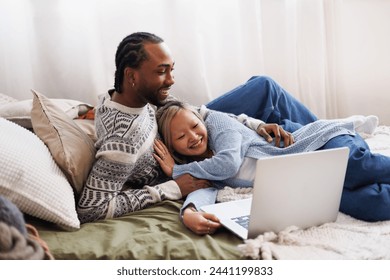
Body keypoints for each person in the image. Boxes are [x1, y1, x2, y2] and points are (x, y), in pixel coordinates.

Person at [76, 31, 318, 223]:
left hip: (182, 125)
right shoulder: (122, 144)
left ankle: (322, 141)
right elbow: (90, 209)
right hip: (181, 146)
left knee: (264, 87)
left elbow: (200, 112)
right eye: (162, 72)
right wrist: (170, 188)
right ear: (131, 77)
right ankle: (325, 148)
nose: (171, 80)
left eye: (171, 69)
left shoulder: (125, 97)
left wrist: (254, 123)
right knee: (268, 92)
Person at [154, 100, 389, 235]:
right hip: (310, 177)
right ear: (173, 147)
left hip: (322, 142)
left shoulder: (218, 124)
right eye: (181, 137)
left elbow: (228, 164)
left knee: (356, 168)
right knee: (369, 203)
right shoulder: (200, 169)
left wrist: (176, 171)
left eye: (195, 125)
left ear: (201, 119)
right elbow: (199, 189)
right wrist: (190, 213)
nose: (194, 136)